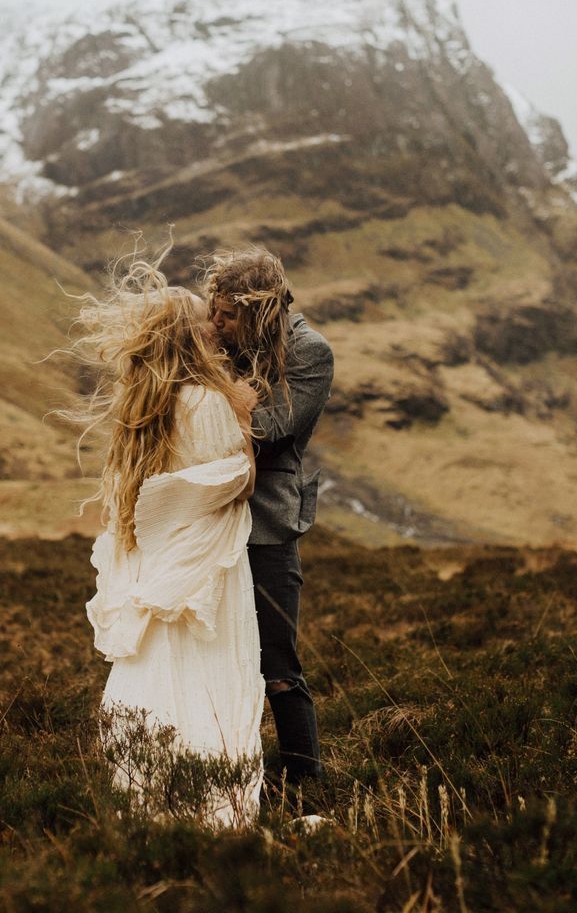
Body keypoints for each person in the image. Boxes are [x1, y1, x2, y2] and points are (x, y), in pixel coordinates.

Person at [76, 257, 265, 827]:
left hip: (164, 558)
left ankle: (146, 788)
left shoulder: (148, 405)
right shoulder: (205, 403)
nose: (216, 329)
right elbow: (237, 477)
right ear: (189, 337)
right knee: (209, 667)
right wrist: (245, 416)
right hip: (207, 564)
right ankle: (214, 802)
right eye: (207, 323)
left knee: (164, 663)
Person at [204, 249, 334, 787]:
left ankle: (307, 788)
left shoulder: (310, 352)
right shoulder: (221, 342)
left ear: (258, 313)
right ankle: (220, 779)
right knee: (209, 659)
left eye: (226, 316)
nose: (214, 325)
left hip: (267, 527)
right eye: (213, 313)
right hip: (206, 518)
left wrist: (203, 391)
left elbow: (270, 426)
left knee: (278, 666)